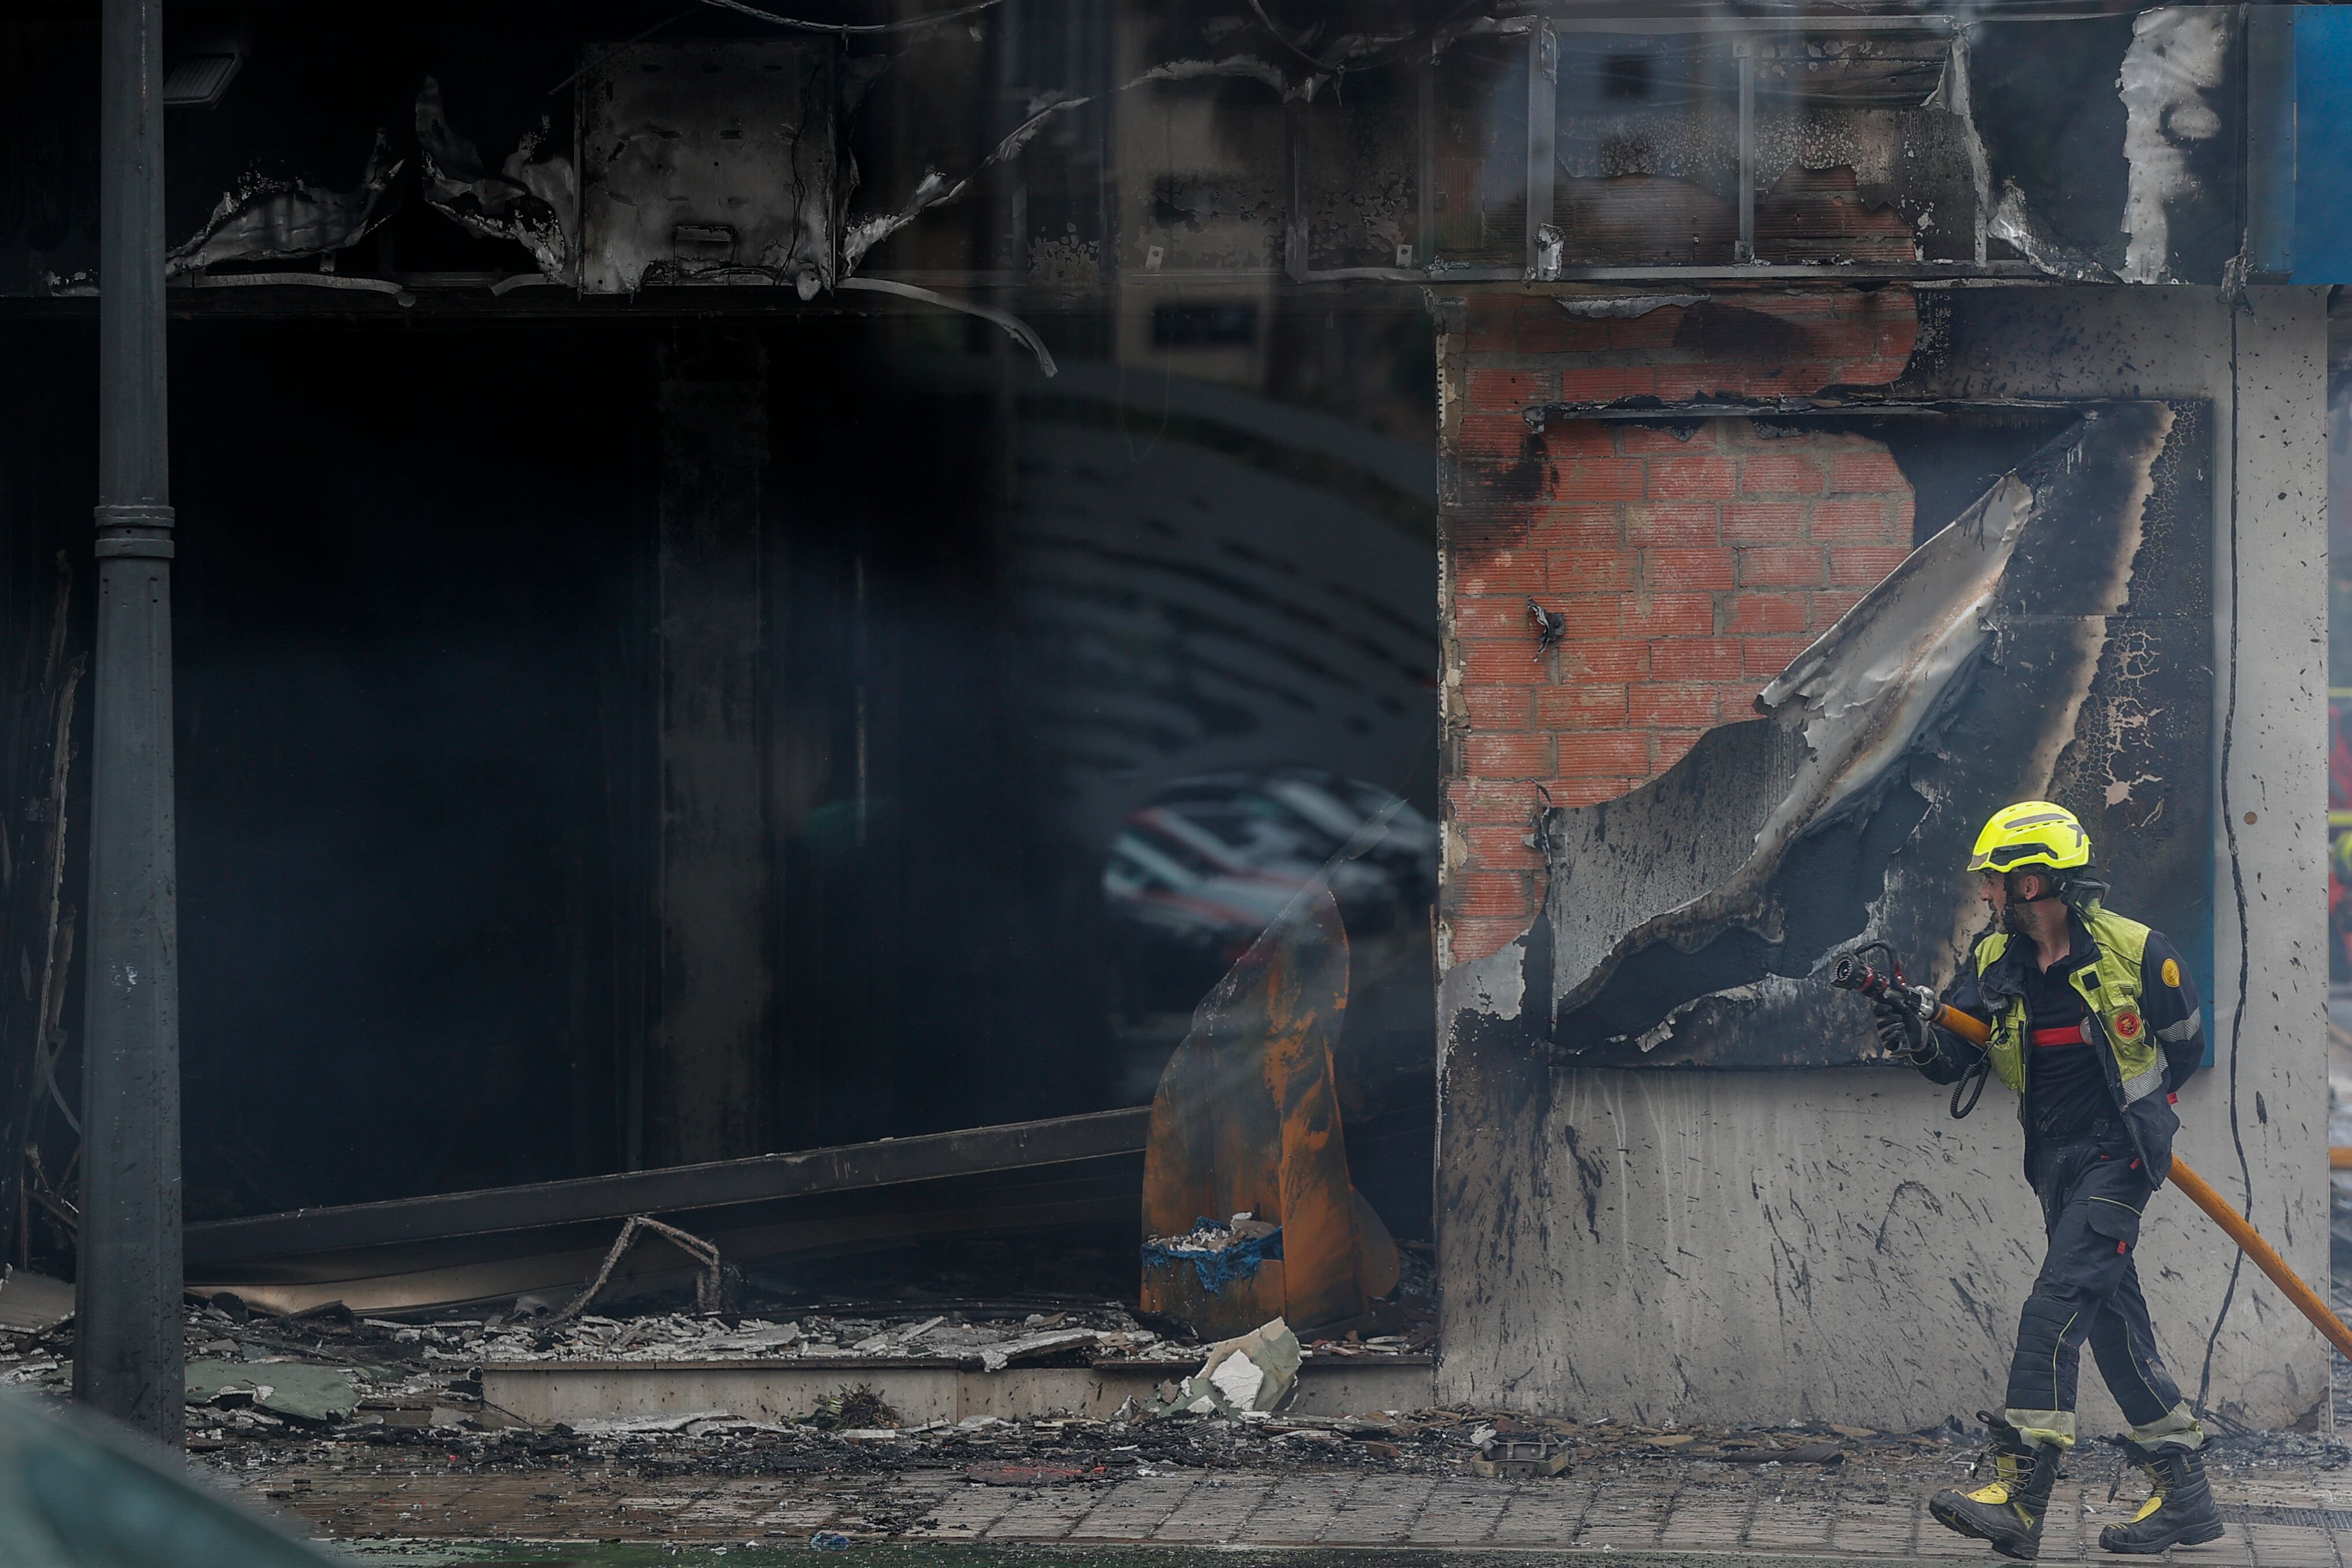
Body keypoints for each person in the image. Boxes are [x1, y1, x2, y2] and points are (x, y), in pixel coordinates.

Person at [1875, 800, 2218, 1561]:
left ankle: (2018, 1497)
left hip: (2118, 1157)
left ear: (2033, 884)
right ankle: (2185, 1497)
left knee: (2054, 1308)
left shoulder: (2138, 952)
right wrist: (1916, 1042)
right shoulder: (1994, 962)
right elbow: (1955, 1060)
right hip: (2053, 1162)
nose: (1986, 896)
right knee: (2112, 1330)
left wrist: (2137, 1119)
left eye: (1994, 882)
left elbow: (2183, 1048)